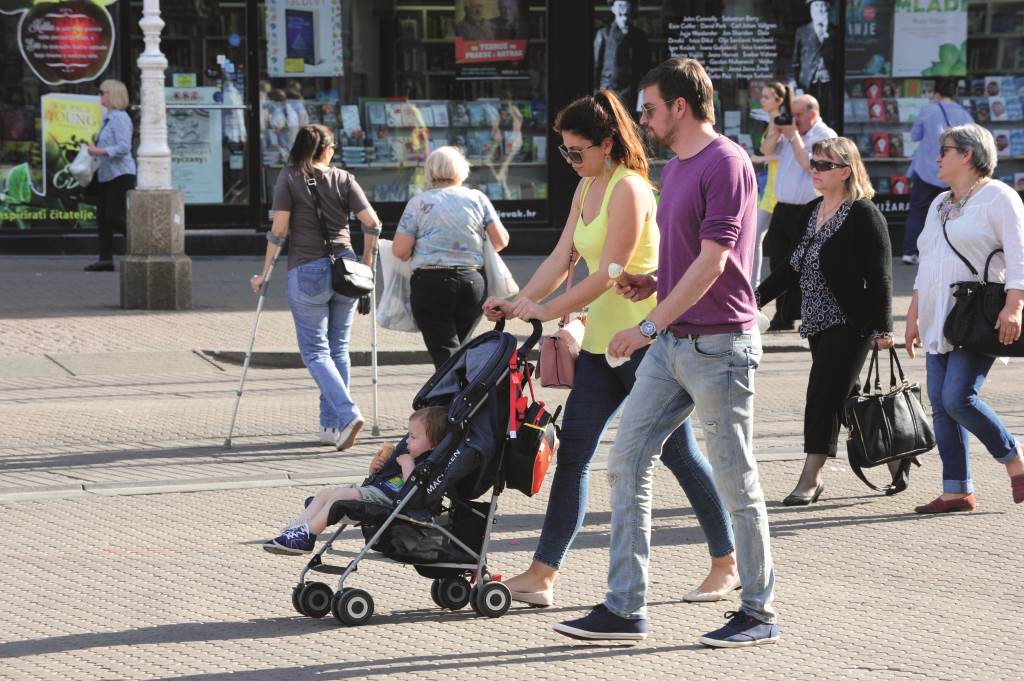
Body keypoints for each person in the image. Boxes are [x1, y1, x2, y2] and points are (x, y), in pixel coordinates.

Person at [553, 58, 778, 647]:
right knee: (626, 463)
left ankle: (758, 612)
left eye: (649, 108)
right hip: (675, 341)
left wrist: (647, 326)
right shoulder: (675, 168)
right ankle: (625, 610)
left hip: (718, 345)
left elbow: (715, 262)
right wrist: (652, 282)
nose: (642, 119)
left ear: (681, 106)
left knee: (736, 479)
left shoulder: (725, 162)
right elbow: (685, 256)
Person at [483, 90, 738, 609]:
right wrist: (518, 300)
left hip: (646, 343)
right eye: (564, 152)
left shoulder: (630, 189)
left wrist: (546, 312)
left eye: (578, 151)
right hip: (602, 347)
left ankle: (727, 561)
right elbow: (562, 256)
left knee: (679, 453)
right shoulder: (588, 186)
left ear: (607, 144)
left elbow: (608, 274)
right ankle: (542, 573)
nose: (570, 161)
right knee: (573, 455)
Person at [756, 137, 895, 505]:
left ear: (846, 171)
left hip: (852, 324)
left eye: (823, 165)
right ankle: (896, 458)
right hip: (817, 323)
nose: (814, 170)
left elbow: (881, 276)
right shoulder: (813, 210)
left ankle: (811, 477)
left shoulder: (864, 214)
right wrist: (753, 298)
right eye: (813, 164)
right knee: (845, 399)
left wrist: (883, 328)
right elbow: (790, 267)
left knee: (821, 396)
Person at [904, 123, 1024, 514]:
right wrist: (912, 314)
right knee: (940, 402)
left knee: (958, 397)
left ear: (968, 154)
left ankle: (1014, 458)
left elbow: (1020, 255)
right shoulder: (940, 203)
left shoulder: (999, 198)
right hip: (939, 314)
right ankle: (957, 490)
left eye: (945, 149)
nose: (938, 156)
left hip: (978, 314)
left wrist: (1015, 305)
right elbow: (927, 262)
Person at [251, 124, 382, 450]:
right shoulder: (344, 178)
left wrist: (264, 273)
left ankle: (347, 414)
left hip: (306, 270)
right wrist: (368, 262)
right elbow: (373, 223)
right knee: (338, 349)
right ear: (326, 150)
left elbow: (279, 229)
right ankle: (331, 427)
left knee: (315, 352)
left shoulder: (289, 177)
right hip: (347, 271)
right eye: (333, 146)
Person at [262, 407, 448, 554]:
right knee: (325, 493)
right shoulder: (410, 455)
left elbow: (413, 493)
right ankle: (296, 529)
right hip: (377, 493)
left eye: (414, 437)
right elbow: (381, 480)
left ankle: (308, 535)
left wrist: (408, 466)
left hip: (394, 503)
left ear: (433, 444)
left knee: (341, 495)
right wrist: (375, 469)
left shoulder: (430, 465)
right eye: (408, 435)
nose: (407, 441)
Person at [393, 146, 510, 369]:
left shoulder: (419, 203)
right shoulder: (477, 199)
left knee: (445, 353)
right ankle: (465, 397)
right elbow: (501, 241)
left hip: (431, 285)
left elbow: (400, 251)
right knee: (459, 349)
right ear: (461, 169)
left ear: (430, 171)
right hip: (472, 282)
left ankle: (453, 400)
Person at [764, 93, 837, 331]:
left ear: (812, 114)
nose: (793, 120)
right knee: (779, 263)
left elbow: (809, 165)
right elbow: (765, 150)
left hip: (810, 209)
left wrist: (793, 136)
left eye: (797, 115)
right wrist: (776, 130)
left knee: (806, 265)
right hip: (783, 207)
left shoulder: (825, 135)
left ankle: (808, 314)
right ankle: (783, 315)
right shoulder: (789, 132)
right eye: (791, 115)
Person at [902, 78, 974, 265]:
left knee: (918, 210)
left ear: (936, 93)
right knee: (948, 211)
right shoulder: (964, 114)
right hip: (952, 174)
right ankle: (943, 250)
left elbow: (915, 135)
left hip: (926, 170)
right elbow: (974, 140)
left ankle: (909, 252)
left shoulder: (927, 111)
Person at [85, 79, 136, 272]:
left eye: (102, 92)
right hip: (107, 174)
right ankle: (105, 259)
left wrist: (98, 151)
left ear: (111, 94)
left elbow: (124, 147)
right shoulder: (108, 117)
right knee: (103, 218)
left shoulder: (120, 118)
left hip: (120, 174)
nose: (99, 95)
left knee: (114, 217)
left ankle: (142, 243)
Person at [751, 82, 788, 288]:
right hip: (771, 187)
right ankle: (753, 286)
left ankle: (756, 286)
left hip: (779, 188)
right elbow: (768, 150)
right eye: (762, 96)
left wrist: (756, 159)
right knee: (755, 237)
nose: (762, 100)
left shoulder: (782, 122)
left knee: (758, 237)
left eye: (767, 97)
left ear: (779, 100)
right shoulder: (774, 122)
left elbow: (772, 152)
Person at [592, 0, 650, 111]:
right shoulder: (603, 34)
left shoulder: (639, 36)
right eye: (619, 5)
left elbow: (646, 68)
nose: (623, 8)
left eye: (626, 5)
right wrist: (597, 92)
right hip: (610, 92)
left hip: (633, 94)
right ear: (613, 9)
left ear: (631, 8)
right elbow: (595, 67)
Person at [792, 0, 836, 123]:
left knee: (828, 117)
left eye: (822, 5)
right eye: (816, 5)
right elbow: (795, 62)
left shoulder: (835, 31)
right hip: (808, 83)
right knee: (808, 117)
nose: (819, 9)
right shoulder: (802, 32)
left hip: (829, 83)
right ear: (811, 9)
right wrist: (798, 86)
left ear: (827, 8)